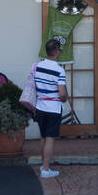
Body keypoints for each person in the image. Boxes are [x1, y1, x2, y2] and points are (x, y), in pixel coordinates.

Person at [32, 38, 68, 179]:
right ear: (57, 52)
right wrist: (65, 98)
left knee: (43, 137)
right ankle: (46, 169)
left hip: (40, 106)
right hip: (53, 107)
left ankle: (43, 165)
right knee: (50, 138)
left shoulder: (37, 66)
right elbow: (62, 93)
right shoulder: (59, 70)